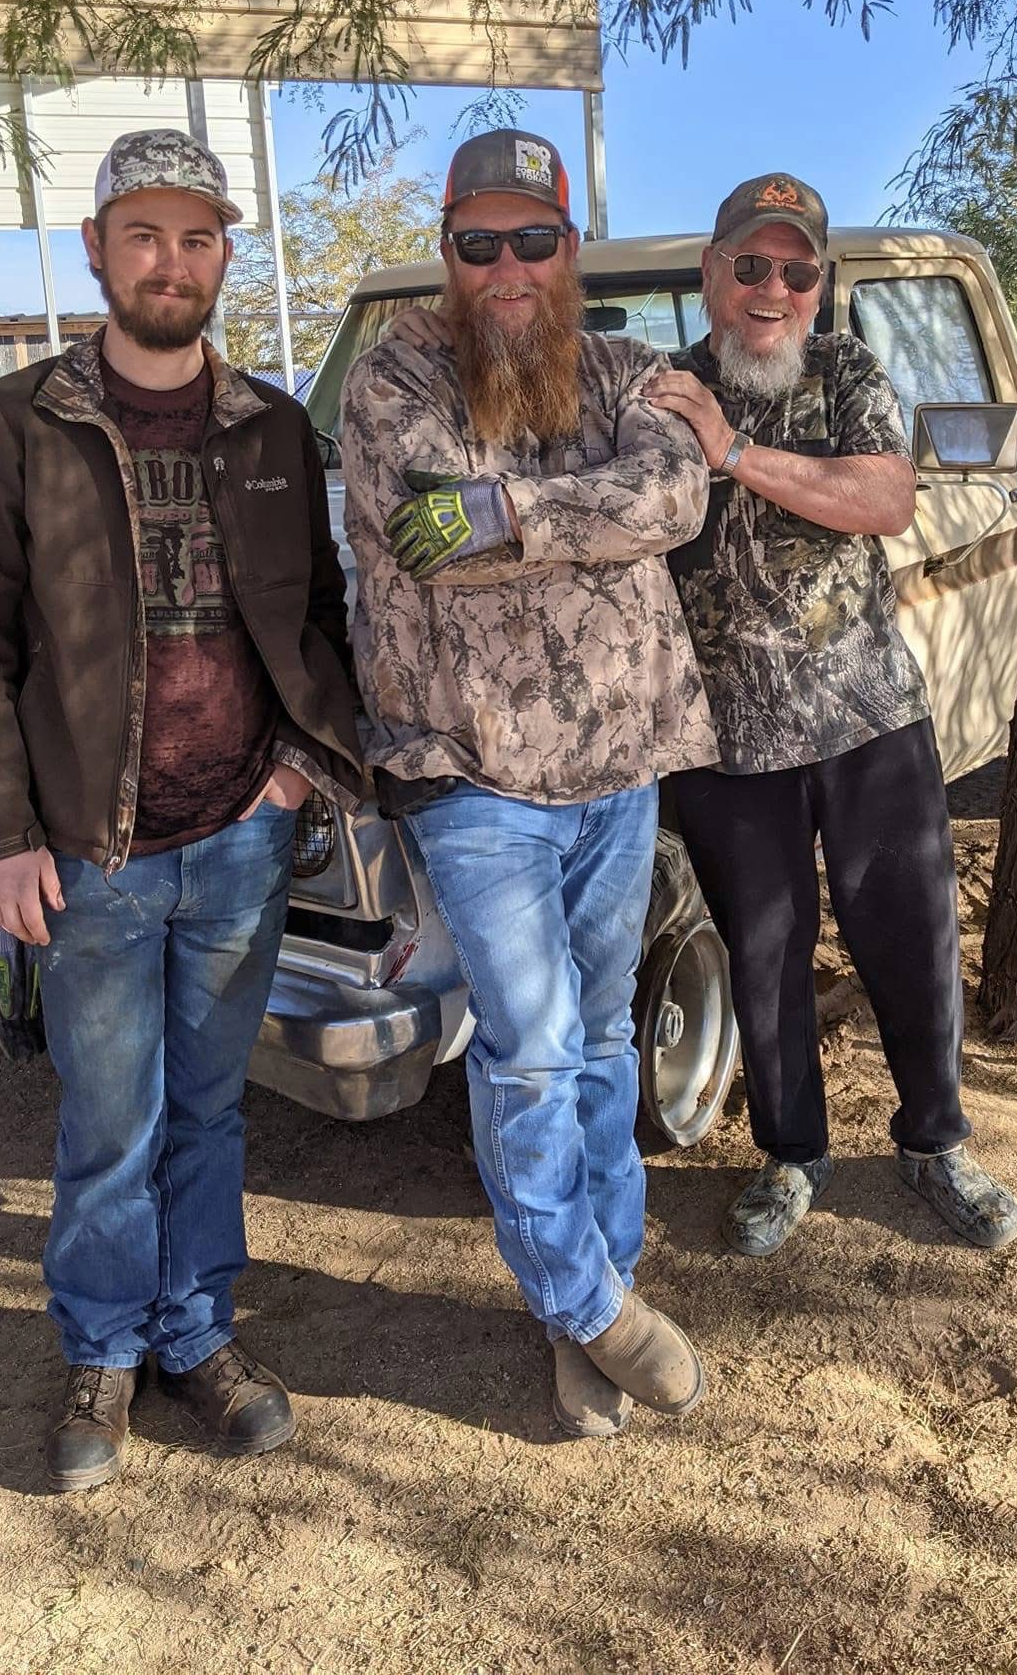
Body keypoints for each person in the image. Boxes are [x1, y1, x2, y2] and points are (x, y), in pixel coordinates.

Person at [0, 129, 365, 1491]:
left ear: (224, 253)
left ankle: (197, 1333)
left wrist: (294, 770)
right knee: (108, 1117)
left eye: (195, 237)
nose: (170, 262)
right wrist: (3, 836)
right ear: (96, 249)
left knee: (210, 1110)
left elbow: (317, 613)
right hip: (91, 854)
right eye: (143, 234)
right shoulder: (17, 425)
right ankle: (104, 1348)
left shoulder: (273, 428)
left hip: (241, 836)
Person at [342, 129, 717, 1438]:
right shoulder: (392, 381)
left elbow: (674, 495)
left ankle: (594, 1291)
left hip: (619, 769)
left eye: (533, 239)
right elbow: (424, 538)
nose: (506, 267)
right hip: (472, 776)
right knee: (532, 1050)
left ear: (570, 249)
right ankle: (590, 1305)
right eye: (478, 242)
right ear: (447, 252)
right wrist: (575, 518)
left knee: (602, 1038)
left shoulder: (623, 367)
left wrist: (509, 514)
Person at [642, 172, 1017, 1259]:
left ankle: (934, 1142)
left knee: (908, 938)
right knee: (763, 954)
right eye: (750, 264)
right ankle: (789, 1154)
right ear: (711, 272)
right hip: (725, 740)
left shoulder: (846, 370)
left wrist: (732, 452)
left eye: (796, 270)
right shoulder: (661, 393)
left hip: (866, 718)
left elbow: (884, 498)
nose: (773, 288)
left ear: (818, 286)